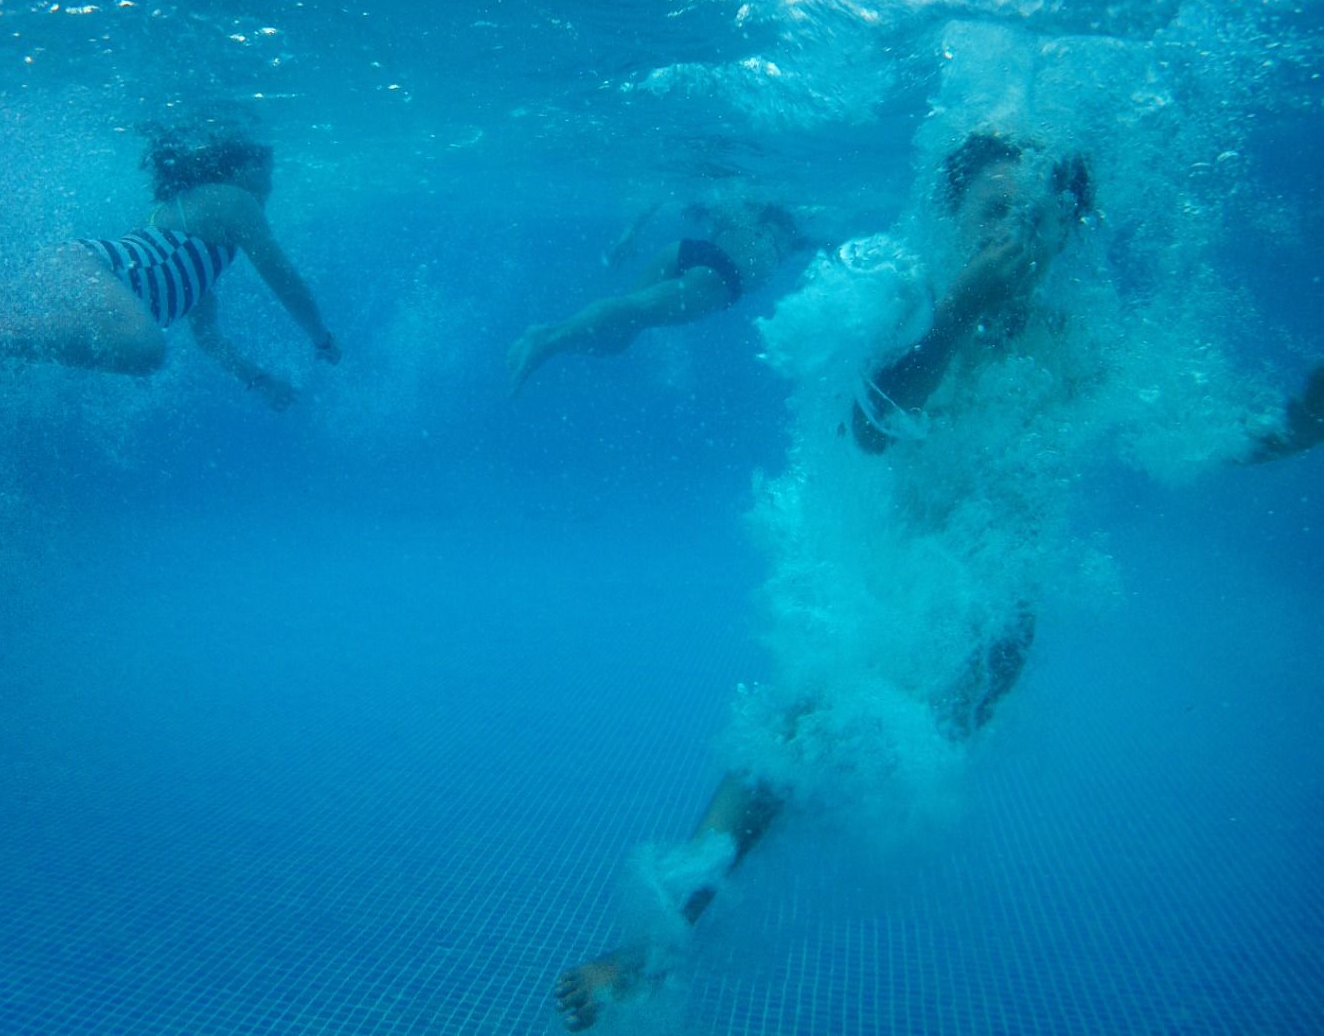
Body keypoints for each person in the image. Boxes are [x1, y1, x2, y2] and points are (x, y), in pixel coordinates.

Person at [550, 130, 1324, 1032]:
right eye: (993, 211)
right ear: (952, 218)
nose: (1014, 234)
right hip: (880, 561)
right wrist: (958, 311)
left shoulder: (1076, 343)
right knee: (795, 730)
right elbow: (871, 430)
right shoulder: (907, 304)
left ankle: (817, 780)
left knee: (899, 753)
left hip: (991, 605)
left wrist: (1289, 429)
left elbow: (1184, 427)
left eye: (1036, 217)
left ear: (1066, 234)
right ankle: (646, 955)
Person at [0, 123, 340, 410]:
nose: (269, 188)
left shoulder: (200, 265)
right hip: (84, 268)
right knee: (145, 349)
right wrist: (320, 336)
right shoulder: (232, 200)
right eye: (264, 174)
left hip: (73, 277)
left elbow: (209, 339)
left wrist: (260, 381)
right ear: (234, 171)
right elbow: (284, 279)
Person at [506, 192, 801, 395]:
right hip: (721, 277)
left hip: (688, 252)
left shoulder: (755, 211)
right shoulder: (782, 225)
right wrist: (630, 233)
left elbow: (662, 192)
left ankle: (550, 339)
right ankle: (548, 340)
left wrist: (630, 232)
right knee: (636, 310)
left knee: (620, 338)